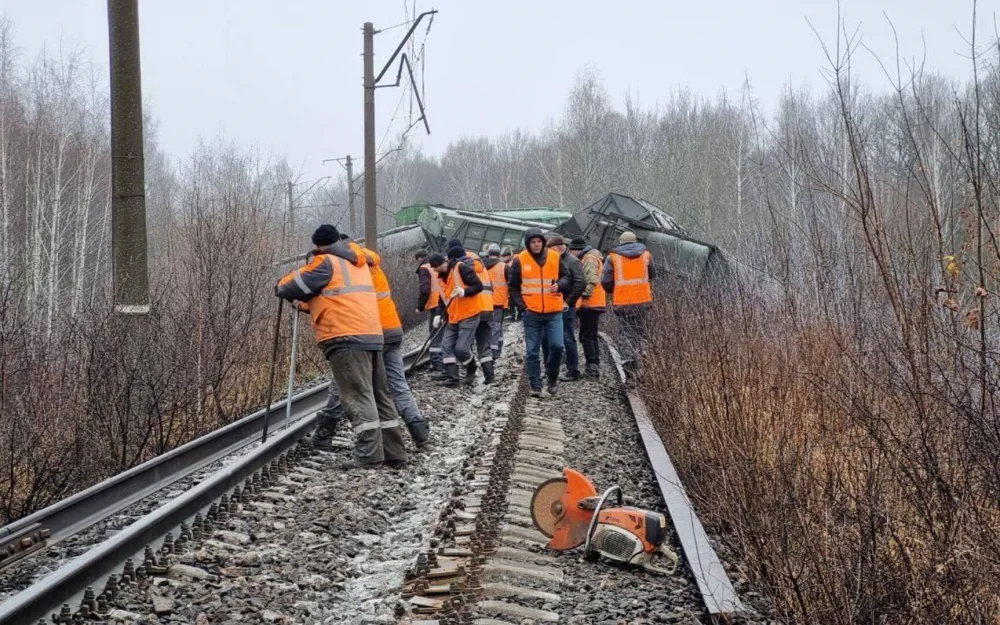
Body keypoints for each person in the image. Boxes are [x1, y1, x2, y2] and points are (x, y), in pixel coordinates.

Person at [276, 224, 406, 469]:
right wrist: (306, 304)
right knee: (380, 395)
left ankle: (369, 456)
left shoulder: (326, 262)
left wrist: (282, 285)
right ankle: (394, 452)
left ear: (318, 246)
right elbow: (337, 297)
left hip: (345, 337)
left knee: (358, 395)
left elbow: (290, 286)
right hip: (372, 334)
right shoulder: (358, 263)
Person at [359, 244, 432, 449]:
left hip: (371, 332)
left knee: (356, 385)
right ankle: (420, 434)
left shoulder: (351, 268)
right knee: (398, 384)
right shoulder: (373, 264)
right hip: (392, 329)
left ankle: (326, 431)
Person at [508, 228, 571, 397]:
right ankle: (535, 385)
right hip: (532, 312)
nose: (536, 245)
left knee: (557, 346)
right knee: (532, 351)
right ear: (528, 244)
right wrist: (523, 306)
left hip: (554, 310)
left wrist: (560, 285)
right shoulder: (520, 260)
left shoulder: (554, 256)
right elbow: (512, 287)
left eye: (538, 241)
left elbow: (567, 277)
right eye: (532, 242)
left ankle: (552, 377)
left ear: (543, 242)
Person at [601, 230, 655, 386]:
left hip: (623, 303)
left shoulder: (613, 258)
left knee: (626, 337)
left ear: (620, 242)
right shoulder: (646, 255)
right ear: (635, 241)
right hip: (643, 303)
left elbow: (605, 281)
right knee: (640, 334)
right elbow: (652, 275)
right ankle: (641, 369)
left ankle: (630, 376)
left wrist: (614, 290)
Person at [439, 244, 496, 387]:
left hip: (469, 309)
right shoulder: (480, 264)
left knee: (464, 346)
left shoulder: (459, 268)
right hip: (487, 307)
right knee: (484, 344)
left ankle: (469, 371)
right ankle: (489, 377)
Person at [546, 236, 586, 381]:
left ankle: (573, 370)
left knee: (568, 337)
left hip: (565, 306)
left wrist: (568, 302)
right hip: (555, 304)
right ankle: (556, 367)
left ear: (557, 247)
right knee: (558, 338)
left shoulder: (573, 262)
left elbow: (580, 283)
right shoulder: (560, 260)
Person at [570, 237, 606, 379]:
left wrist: (582, 297)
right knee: (591, 335)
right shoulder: (590, 257)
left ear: (576, 249)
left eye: (571, 250)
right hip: (594, 303)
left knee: (586, 337)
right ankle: (594, 365)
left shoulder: (589, 259)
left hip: (590, 303)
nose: (570, 253)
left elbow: (591, 281)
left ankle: (592, 369)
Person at [416, 252, 448, 375]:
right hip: (447, 303)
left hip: (436, 306)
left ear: (420, 259)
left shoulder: (425, 268)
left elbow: (425, 289)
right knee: (445, 335)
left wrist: (420, 307)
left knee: (435, 336)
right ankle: (447, 363)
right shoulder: (445, 264)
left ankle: (437, 365)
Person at [483, 243, 510, 360]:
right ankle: (494, 352)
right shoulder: (504, 267)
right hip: (500, 302)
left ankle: (493, 348)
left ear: (488, 254)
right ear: (499, 254)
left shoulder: (481, 266)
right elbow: (512, 284)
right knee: (496, 326)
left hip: (484, 303)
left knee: (487, 327)